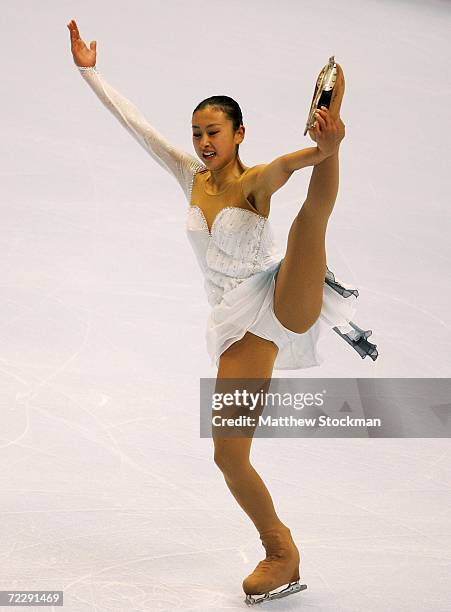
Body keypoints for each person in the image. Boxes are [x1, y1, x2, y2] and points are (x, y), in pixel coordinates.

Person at [67, 19, 378, 605]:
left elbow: (286, 168)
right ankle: (281, 549)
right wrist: (90, 72)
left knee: (311, 219)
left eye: (214, 131)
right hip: (233, 322)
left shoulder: (255, 181)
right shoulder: (190, 176)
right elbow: (136, 125)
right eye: (198, 132)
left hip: (283, 297)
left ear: (239, 134)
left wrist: (321, 148)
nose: (204, 141)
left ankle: (329, 123)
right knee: (227, 453)